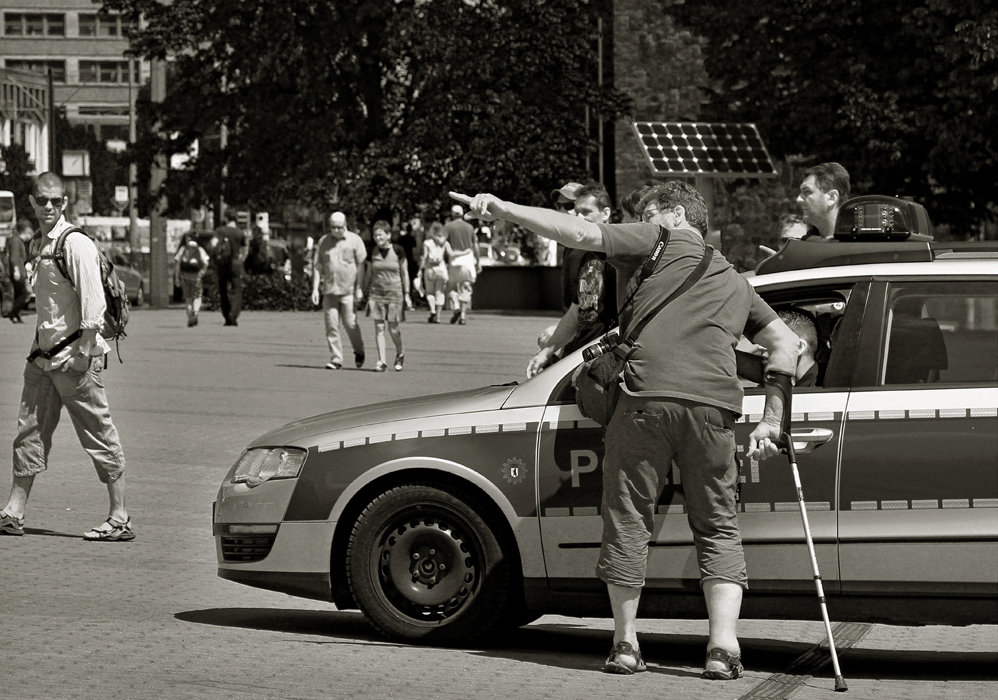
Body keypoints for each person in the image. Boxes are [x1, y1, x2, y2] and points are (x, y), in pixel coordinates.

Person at [450, 180, 799, 680]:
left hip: (644, 403)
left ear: (677, 215)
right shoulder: (736, 281)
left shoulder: (659, 239)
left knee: (629, 519)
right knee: (718, 525)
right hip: (715, 412)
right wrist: (771, 416)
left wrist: (505, 208)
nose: (640, 222)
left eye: (650, 213)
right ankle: (723, 649)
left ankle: (626, 645)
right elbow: (788, 345)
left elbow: (578, 232)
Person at [0, 172, 133, 541]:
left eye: (56, 201)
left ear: (65, 203)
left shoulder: (74, 244)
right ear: (31, 201)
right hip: (42, 357)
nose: (49, 207)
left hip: (75, 358)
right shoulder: (39, 243)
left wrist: (85, 352)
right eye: (42, 200)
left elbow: (94, 302)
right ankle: (13, 510)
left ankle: (119, 517)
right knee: (29, 432)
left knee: (98, 434)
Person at [527, 182, 617, 377]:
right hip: (578, 353)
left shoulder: (616, 253)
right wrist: (549, 350)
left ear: (606, 213)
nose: (575, 216)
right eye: (563, 208)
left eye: (583, 210)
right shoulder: (581, 250)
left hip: (603, 359)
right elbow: (578, 308)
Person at [311, 211, 367, 370]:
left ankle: (359, 350)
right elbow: (318, 266)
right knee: (331, 326)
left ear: (345, 225)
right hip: (330, 290)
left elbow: (362, 266)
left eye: (339, 227)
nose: (336, 230)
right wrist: (315, 289)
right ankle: (336, 358)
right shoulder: (324, 241)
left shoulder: (355, 240)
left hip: (348, 290)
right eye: (333, 227)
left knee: (351, 324)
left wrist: (360, 288)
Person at [360, 221, 411, 371]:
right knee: (379, 328)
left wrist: (407, 293)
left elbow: (404, 273)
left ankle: (400, 352)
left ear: (388, 235)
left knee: (393, 329)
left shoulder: (398, 250)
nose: (377, 238)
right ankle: (382, 361)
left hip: (395, 293)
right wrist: (362, 290)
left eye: (380, 235)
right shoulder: (372, 251)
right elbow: (369, 272)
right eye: (375, 235)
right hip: (376, 294)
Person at [443, 204, 480, 325]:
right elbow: (475, 245)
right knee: (466, 287)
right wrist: (478, 262)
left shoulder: (448, 227)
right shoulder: (469, 227)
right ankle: (463, 315)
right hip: (467, 259)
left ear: (452, 214)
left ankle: (456, 307)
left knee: (451, 287)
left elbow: (442, 243)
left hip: (454, 259)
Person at [796, 162, 851, 239]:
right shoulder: (802, 247)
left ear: (832, 197)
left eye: (807, 191)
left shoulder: (862, 245)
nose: (798, 199)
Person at [211, 209, 247, 326]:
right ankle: (234, 313)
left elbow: (213, 244)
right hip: (235, 264)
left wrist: (217, 255)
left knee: (223, 290)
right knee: (237, 290)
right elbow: (244, 250)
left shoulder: (220, 230)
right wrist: (240, 260)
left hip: (222, 264)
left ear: (225, 218)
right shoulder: (239, 233)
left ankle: (226, 315)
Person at [174, 232, 210, 327]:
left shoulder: (183, 249)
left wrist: (177, 277)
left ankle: (190, 315)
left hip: (184, 277)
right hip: (196, 277)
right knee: (197, 296)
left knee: (188, 297)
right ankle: (196, 312)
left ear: (188, 238)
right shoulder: (199, 249)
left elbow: (177, 263)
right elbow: (206, 262)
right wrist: (202, 272)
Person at [418, 221, 450, 323]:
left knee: (430, 292)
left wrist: (420, 269)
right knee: (440, 293)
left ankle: (432, 310)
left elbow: (425, 257)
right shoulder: (444, 242)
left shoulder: (427, 243)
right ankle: (439, 316)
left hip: (430, 269)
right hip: (441, 269)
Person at [6, 219, 33, 323]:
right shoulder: (16, 241)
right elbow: (14, 258)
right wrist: (16, 271)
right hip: (18, 272)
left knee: (18, 294)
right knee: (24, 294)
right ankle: (13, 313)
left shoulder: (16, 240)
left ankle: (16, 315)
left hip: (19, 271)